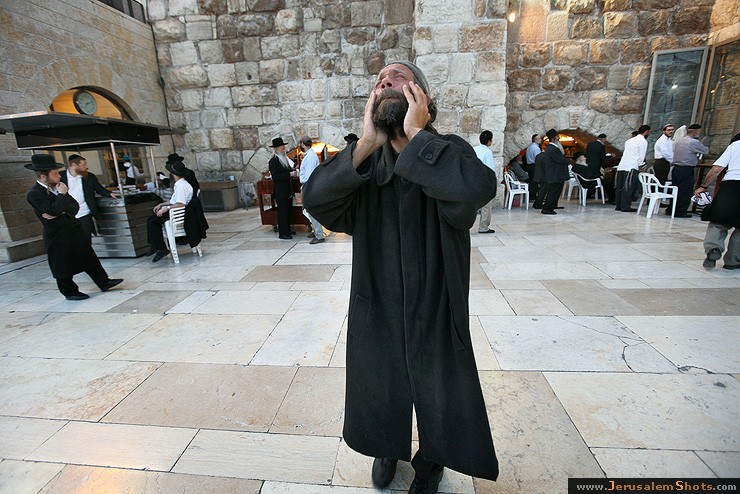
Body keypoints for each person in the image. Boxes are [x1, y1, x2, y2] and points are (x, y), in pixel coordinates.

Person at [303, 61, 499, 493]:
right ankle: (385, 445)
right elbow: (316, 200)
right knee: (379, 376)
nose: (385, 82)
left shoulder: (448, 150)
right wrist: (366, 144)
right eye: (379, 81)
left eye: (397, 77)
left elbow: (476, 189)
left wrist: (417, 136)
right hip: (378, 295)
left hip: (437, 296)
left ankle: (432, 461)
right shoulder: (365, 162)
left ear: (422, 97)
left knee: (440, 384)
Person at [25, 154, 123, 300]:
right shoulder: (34, 194)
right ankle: (69, 292)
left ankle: (103, 281)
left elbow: (74, 207)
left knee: (88, 256)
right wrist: (61, 197)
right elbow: (53, 210)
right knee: (62, 264)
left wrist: (60, 209)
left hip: (73, 228)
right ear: (44, 176)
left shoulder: (58, 187)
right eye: (55, 173)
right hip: (57, 234)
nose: (59, 176)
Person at [698, 133, 740, 270]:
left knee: (718, 221)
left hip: (730, 186)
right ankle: (733, 260)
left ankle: (713, 249)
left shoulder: (735, 145)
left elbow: (717, 168)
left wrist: (704, 186)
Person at [60, 154, 121, 242]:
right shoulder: (60, 177)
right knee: (71, 240)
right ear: (74, 165)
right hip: (67, 215)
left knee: (86, 239)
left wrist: (110, 193)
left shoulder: (89, 176)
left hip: (84, 212)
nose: (86, 167)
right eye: (83, 165)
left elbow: (99, 189)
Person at [146, 160, 194, 262]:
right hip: (176, 211)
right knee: (150, 219)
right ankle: (155, 245)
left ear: (173, 174)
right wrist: (162, 204)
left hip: (177, 214)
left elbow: (181, 203)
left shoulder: (181, 186)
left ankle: (161, 248)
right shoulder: (180, 185)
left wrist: (166, 208)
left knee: (153, 222)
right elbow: (174, 201)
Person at [669, 123, 710, 218]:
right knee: (685, 190)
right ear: (696, 132)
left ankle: (671, 209)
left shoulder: (679, 141)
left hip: (676, 168)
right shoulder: (693, 142)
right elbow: (705, 150)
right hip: (686, 168)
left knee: (675, 189)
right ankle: (680, 211)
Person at [615, 125, 650, 212]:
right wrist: (640, 165)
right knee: (628, 187)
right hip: (631, 166)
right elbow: (641, 156)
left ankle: (619, 205)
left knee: (620, 187)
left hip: (622, 165)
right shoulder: (643, 141)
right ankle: (625, 206)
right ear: (646, 132)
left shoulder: (629, 141)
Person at [268, 137, 298, 239]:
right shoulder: (273, 161)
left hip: (288, 190)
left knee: (288, 211)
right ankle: (283, 233)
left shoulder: (284, 159)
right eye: (282, 149)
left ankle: (287, 230)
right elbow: (276, 177)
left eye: (284, 148)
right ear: (276, 149)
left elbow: (287, 171)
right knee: (283, 213)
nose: (284, 150)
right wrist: (289, 174)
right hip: (281, 191)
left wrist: (293, 172)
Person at [298, 136, 326, 244]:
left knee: (311, 210)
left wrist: (305, 187)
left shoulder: (310, 157)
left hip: (309, 186)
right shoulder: (310, 155)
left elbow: (309, 175)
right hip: (310, 185)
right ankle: (316, 231)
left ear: (303, 144)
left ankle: (319, 235)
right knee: (310, 211)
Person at [541, 128, 571, 215]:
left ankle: (550, 207)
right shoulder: (553, 149)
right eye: (557, 137)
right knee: (553, 192)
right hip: (555, 174)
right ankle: (547, 209)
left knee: (554, 192)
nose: (559, 138)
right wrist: (570, 161)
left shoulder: (550, 148)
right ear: (553, 139)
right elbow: (560, 160)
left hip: (555, 174)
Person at [474, 130, 496, 234]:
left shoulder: (474, 149)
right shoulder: (487, 152)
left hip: (473, 180)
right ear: (489, 141)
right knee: (486, 205)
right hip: (483, 181)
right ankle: (483, 227)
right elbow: (490, 169)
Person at [525, 134, 542, 199]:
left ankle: (531, 195)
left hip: (529, 166)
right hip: (534, 166)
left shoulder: (529, 147)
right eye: (539, 138)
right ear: (535, 140)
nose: (541, 140)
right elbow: (538, 159)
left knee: (531, 180)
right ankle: (532, 196)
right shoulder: (536, 148)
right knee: (534, 181)